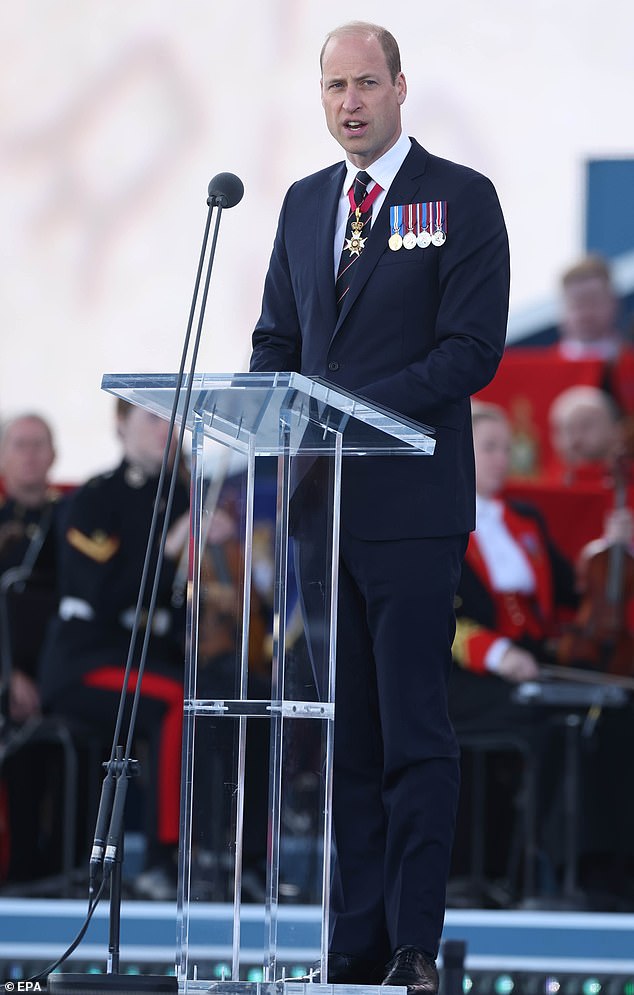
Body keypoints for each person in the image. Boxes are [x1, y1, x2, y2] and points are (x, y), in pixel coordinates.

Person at [249, 21, 509, 993]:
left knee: (412, 731)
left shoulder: (459, 198)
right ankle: (353, 937)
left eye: (364, 83)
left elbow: (470, 350)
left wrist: (349, 406)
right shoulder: (304, 201)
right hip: (322, 510)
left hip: (409, 508)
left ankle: (414, 942)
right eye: (333, 88)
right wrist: (273, 401)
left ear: (401, 87)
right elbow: (277, 337)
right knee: (346, 737)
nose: (349, 103)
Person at [38, 400, 190, 899]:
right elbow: (103, 597)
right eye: (151, 417)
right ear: (121, 426)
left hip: (150, 659)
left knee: (228, 694)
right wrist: (170, 551)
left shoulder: (187, 497)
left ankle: (237, 854)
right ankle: (163, 858)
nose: (165, 430)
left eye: (173, 418)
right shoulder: (93, 499)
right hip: (87, 661)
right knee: (177, 699)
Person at [0, 413, 68, 884]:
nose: (29, 455)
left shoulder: (72, 519)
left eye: (38, 445)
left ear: (53, 455)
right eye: (19, 445)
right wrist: (9, 677)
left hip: (64, 671)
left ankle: (70, 873)